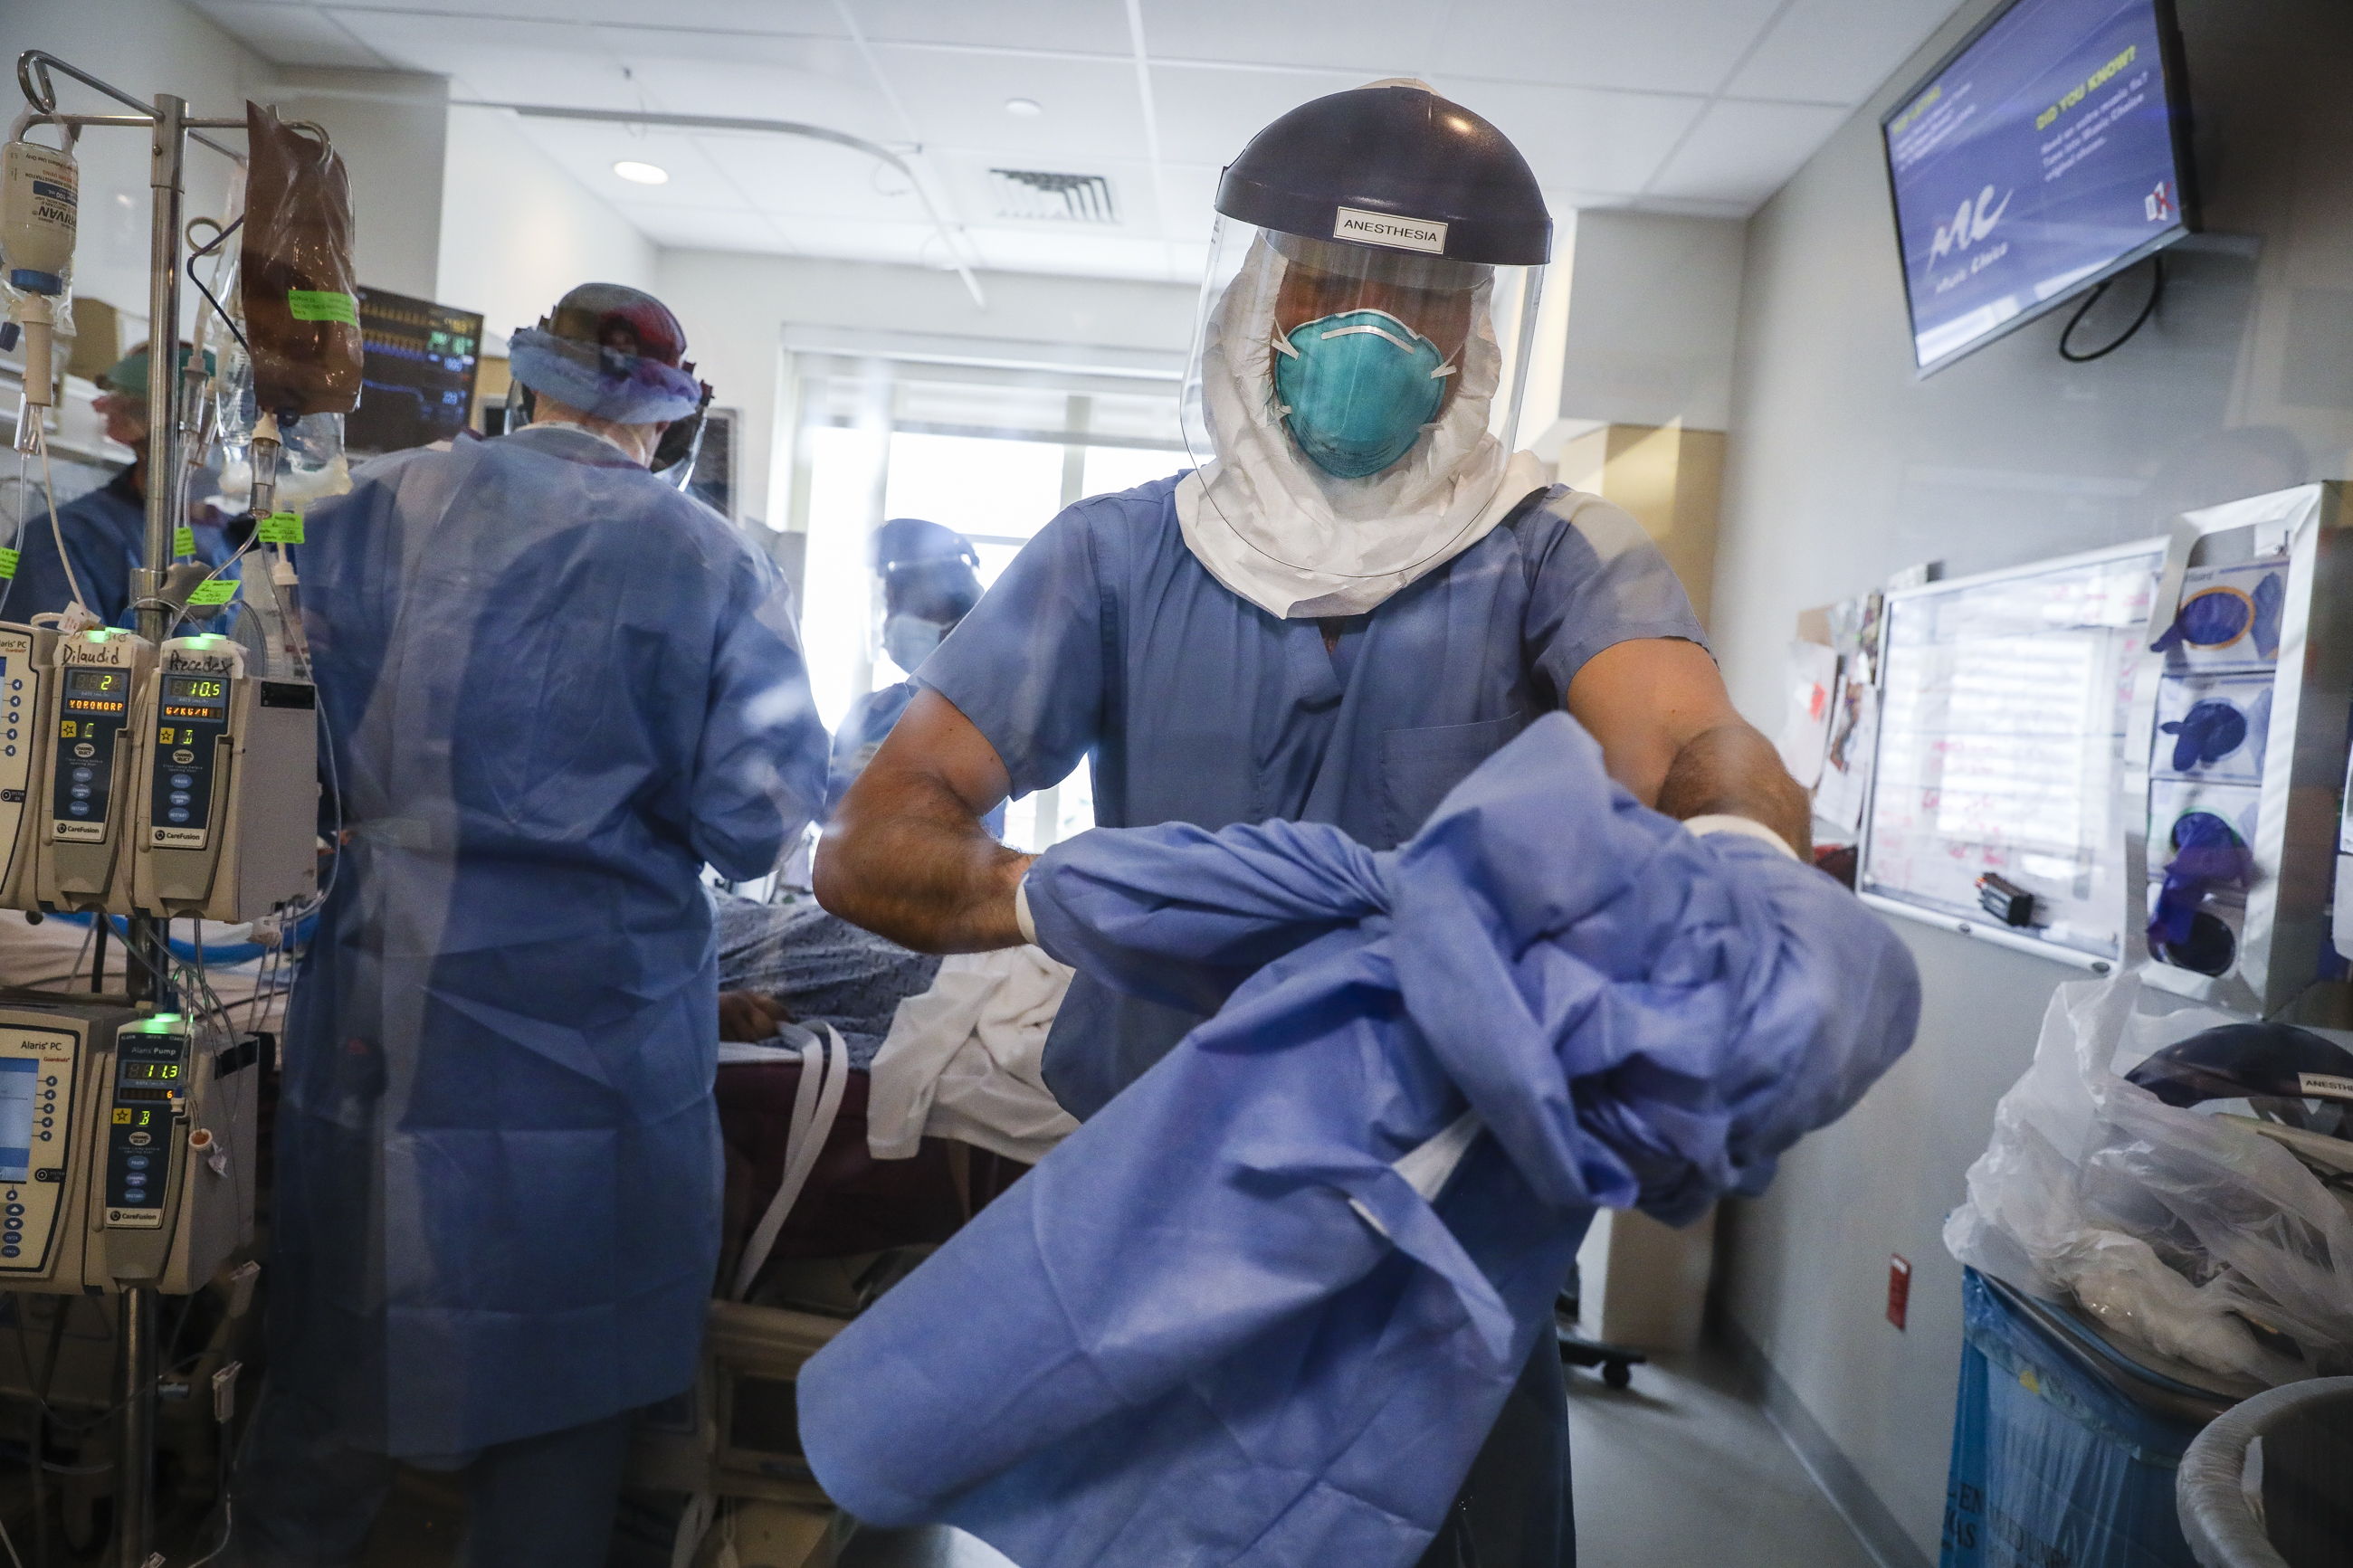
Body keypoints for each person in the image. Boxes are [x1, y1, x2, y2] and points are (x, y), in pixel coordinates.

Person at [816, 82, 1809, 1568]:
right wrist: (1084, 894)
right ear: (1261, 303)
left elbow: (1691, 736)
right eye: (1339, 286)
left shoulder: (1547, 554)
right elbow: (875, 837)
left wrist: (1744, 858)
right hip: (1158, 1215)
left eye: (1432, 300)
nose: (1381, 329)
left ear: (1481, 341)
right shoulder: (1116, 556)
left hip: (1442, 1240)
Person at [231, 282, 830, 1568]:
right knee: (560, 1412)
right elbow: (761, 822)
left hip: (381, 1031)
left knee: (336, 1363)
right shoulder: (711, 562)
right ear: (671, 420)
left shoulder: (367, 511)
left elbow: (256, 737)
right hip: (592, 1047)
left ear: (526, 375)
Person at [7, 343, 237, 625]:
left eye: (221, 433)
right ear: (140, 434)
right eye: (198, 431)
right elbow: (65, 656)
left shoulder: (237, 539)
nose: (213, 446)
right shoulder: (62, 539)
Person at [824, 516, 988, 817]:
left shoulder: (981, 719)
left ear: (951, 609)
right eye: (886, 608)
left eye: (897, 607)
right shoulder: (874, 708)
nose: (889, 624)